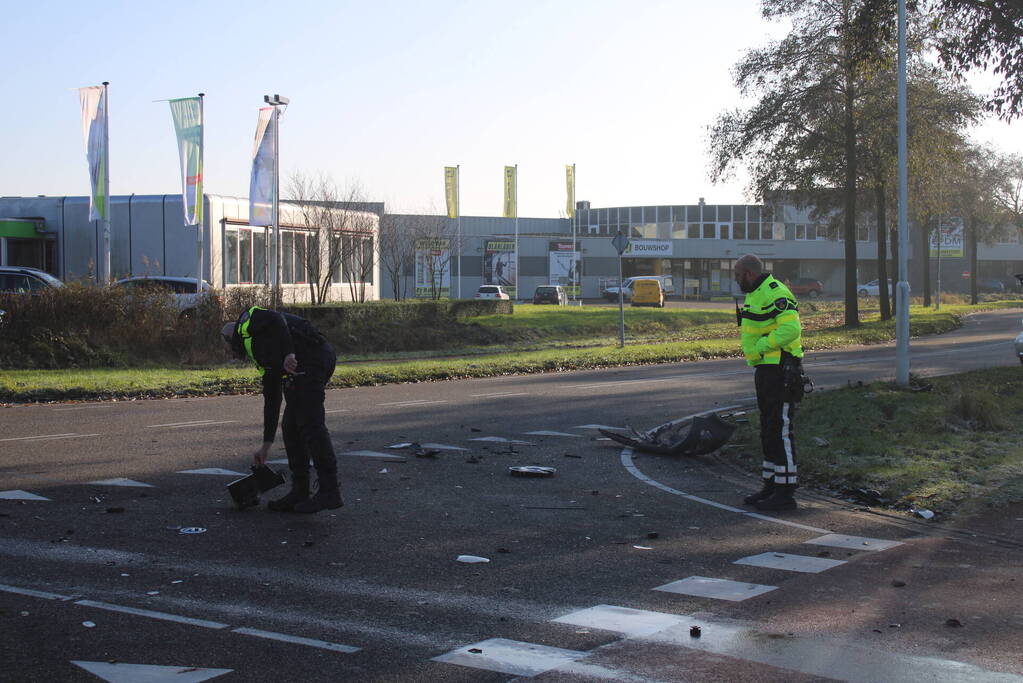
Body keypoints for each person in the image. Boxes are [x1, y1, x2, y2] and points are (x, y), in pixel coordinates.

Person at [222, 306, 342, 514]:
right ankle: (300, 491)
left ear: (232, 340)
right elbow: (272, 398)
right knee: (290, 426)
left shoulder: (248, 321)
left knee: (311, 424)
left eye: (231, 348)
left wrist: (289, 353)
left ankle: (330, 491)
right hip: (304, 363)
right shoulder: (261, 353)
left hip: (313, 357)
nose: (233, 354)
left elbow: (278, 319)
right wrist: (266, 445)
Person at [733, 255, 804, 511]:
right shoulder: (755, 292)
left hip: (781, 369)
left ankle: (786, 492)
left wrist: (762, 348)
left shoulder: (775, 292)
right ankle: (772, 484)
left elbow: (791, 330)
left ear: (749, 273)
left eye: (738, 275)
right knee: (768, 428)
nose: (736, 279)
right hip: (765, 369)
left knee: (780, 429)